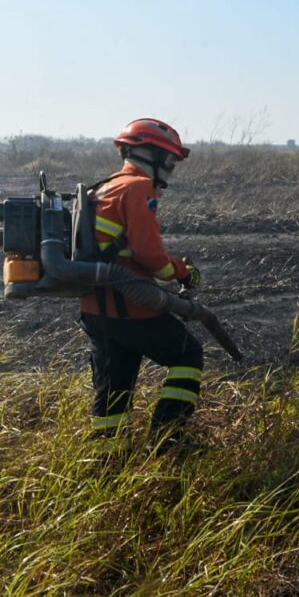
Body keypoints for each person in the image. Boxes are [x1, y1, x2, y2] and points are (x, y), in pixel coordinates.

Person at [79, 118, 203, 454]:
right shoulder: (138, 188)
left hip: (95, 309)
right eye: (170, 161)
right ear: (153, 156)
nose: (171, 170)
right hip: (129, 308)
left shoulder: (101, 187)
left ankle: (107, 465)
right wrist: (182, 272)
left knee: (114, 391)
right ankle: (168, 439)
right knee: (187, 354)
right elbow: (151, 257)